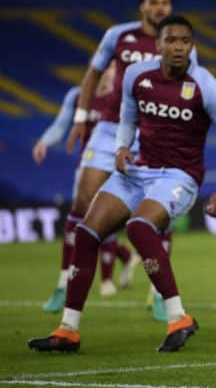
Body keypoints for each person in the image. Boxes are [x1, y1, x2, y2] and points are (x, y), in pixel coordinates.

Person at [28, 15, 216, 353]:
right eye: (171, 40)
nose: (178, 47)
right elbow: (128, 117)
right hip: (138, 171)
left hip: (179, 177)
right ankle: (68, 329)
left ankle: (178, 318)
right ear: (157, 45)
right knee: (86, 234)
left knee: (139, 227)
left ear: (192, 46)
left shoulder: (205, 85)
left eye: (185, 41)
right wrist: (120, 147)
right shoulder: (135, 75)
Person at [65, 0, 192, 321]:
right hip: (109, 127)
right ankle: (80, 276)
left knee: (156, 214)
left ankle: (158, 291)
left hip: (151, 132)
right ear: (142, 7)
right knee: (84, 201)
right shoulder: (118, 36)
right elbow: (92, 75)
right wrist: (80, 117)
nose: (161, 7)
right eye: (154, 1)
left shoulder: (180, 43)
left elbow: (192, 90)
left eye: (166, 1)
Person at [33, 64, 140, 312]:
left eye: (113, 69)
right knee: (80, 218)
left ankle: (105, 278)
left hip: (115, 167)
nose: (108, 74)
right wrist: (44, 142)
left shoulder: (123, 97)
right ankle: (64, 284)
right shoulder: (78, 95)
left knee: (104, 222)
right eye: (105, 69)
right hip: (86, 168)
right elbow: (61, 125)